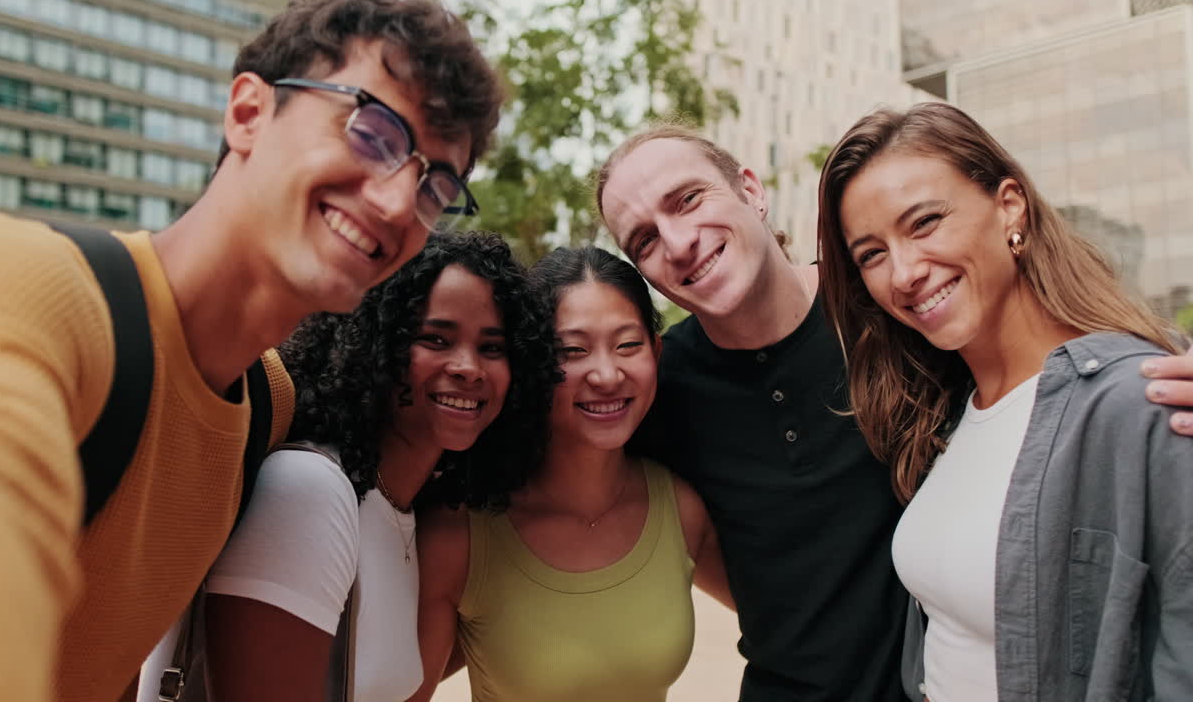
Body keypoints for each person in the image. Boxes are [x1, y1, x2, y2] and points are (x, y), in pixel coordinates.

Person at [0, 0, 503, 702]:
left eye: (434, 188)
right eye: (371, 134)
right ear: (249, 112)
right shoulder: (17, 292)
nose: (394, 202)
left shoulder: (265, 402)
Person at [594, 123, 1193, 702]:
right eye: (643, 239)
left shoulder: (891, 310)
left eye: (688, 199)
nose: (677, 242)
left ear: (751, 190)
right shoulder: (657, 388)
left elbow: (1049, 348)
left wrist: (1162, 358)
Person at [816, 102, 1193, 701]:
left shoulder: (1140, 400)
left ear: (1009, 204)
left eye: (924, 223)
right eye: (872, 254)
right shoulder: (946, 413)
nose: (904, 272)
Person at [142, 231, 560, 702]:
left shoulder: (404, 511)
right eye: (435, 339)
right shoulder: (308, 490)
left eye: (492, 348)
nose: (468, 367)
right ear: (371, 346)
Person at [411, 246, 731, 702]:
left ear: (656, 353)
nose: (606, 374)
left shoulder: (680, 508)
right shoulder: (460, 532)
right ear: (532, 365)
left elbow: (789, 625)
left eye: (627, 345)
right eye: (573, 350)